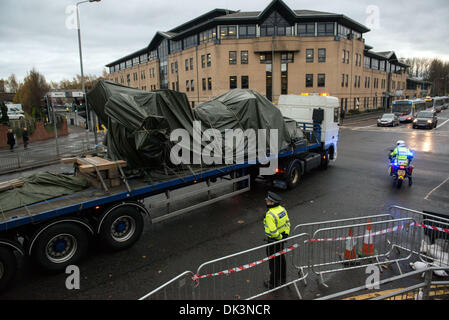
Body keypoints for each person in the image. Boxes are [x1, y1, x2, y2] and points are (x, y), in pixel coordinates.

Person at [263, 191, 291, 289]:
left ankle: (273, 282)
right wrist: (285, 235)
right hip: (281, 239)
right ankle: (282, 279)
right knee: (281, 259)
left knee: (273, 262)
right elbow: (288, 223)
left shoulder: (270, 214)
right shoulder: (282, 209)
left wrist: (279, 238)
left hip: (273, 241)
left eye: (268, 200)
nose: (266, 201)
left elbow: (273, 231)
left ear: (272, 203)